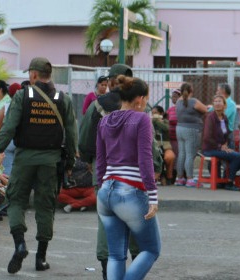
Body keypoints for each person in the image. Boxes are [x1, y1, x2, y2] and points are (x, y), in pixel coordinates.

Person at [0, 57, 77, 274]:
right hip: (51, 161)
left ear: (34, 75)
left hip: (24, 159)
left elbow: (9, 128)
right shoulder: (61, 98)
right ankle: (41, 258)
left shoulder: (22, 95)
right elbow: (72, 133)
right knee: (45, 207)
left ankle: (20, 244)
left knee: (16, 200)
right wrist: (71, 161)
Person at [96, 75, 161, 280]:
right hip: (130, 190)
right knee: (151, 249)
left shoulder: (105, 120)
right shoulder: (141, 118)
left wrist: (102, 188)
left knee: (116, 255)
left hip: (106, 191)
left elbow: (101, 161)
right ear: (140, 99)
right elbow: (145, 158)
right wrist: (153, 195)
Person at [201, 95, 240, 190]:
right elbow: (207, 137)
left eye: (219, 101)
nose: (217, 103)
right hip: (210, 149)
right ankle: (229, 182)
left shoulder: (224, 118)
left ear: (224, 105)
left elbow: (227, 134)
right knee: (237, 156)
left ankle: (224, 180)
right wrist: (220, 146)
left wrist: (225, 144)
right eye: (215, 101)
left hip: (220, 148)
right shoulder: (210, 117)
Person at [174, 82, 207, 187]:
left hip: (179, 128)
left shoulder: (178, 102)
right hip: (191, 129)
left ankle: (180, 178)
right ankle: (190, 179)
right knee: (190, 154)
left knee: (182, 154)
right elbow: (206, 109)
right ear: (191, 90)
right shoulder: (194, 101)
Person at [151, 105, 176, 185]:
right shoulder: (150, 122)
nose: (154, 115)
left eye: (156, 113)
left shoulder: (165, 122)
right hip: (154, 146)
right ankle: (156, 176)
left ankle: (169, 176)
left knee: (170, 157)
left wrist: (158, 121)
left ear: (161, 113)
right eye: (152, 113)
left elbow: (166, 128)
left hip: (165, 146)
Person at [213, 83, 237, 148]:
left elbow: (221, 117)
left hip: (226, 134)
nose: (216, 92)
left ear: (223, 91)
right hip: (218, 133)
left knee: (228, 154)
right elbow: (209, 112)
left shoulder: (231, 104)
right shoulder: (218, 102)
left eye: (218, 90)